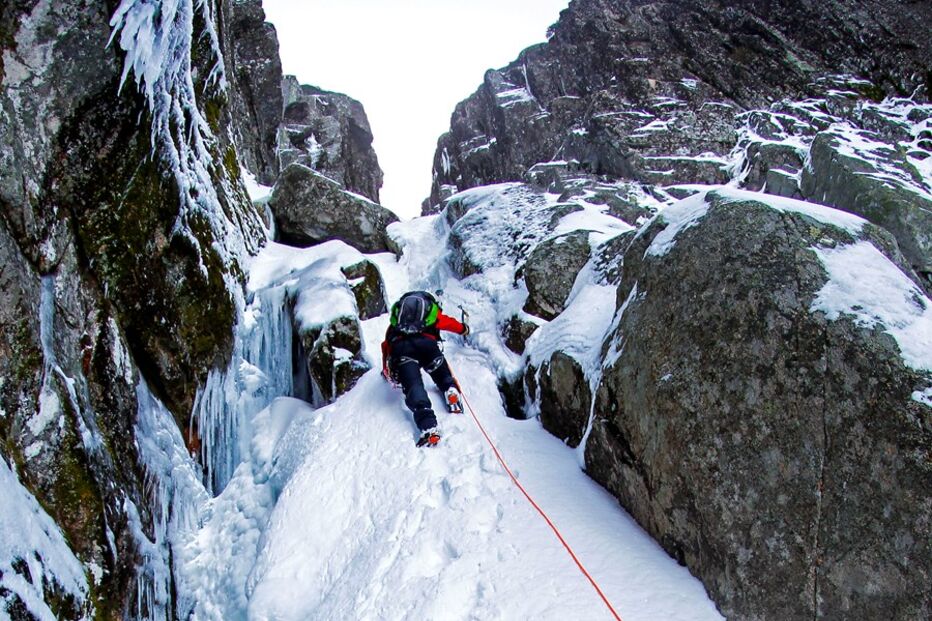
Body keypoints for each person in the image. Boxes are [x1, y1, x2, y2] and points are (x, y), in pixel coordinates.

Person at [381, 290, 470, 447]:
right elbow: (449, 323)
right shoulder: (430, 314)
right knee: (440, 371)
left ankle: (428, 425)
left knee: (414, 385)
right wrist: (464, 329)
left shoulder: (395, 324)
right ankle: (450, 390)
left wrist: (386, 371)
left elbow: (386, 346)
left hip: (403, 351)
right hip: (428, 346)